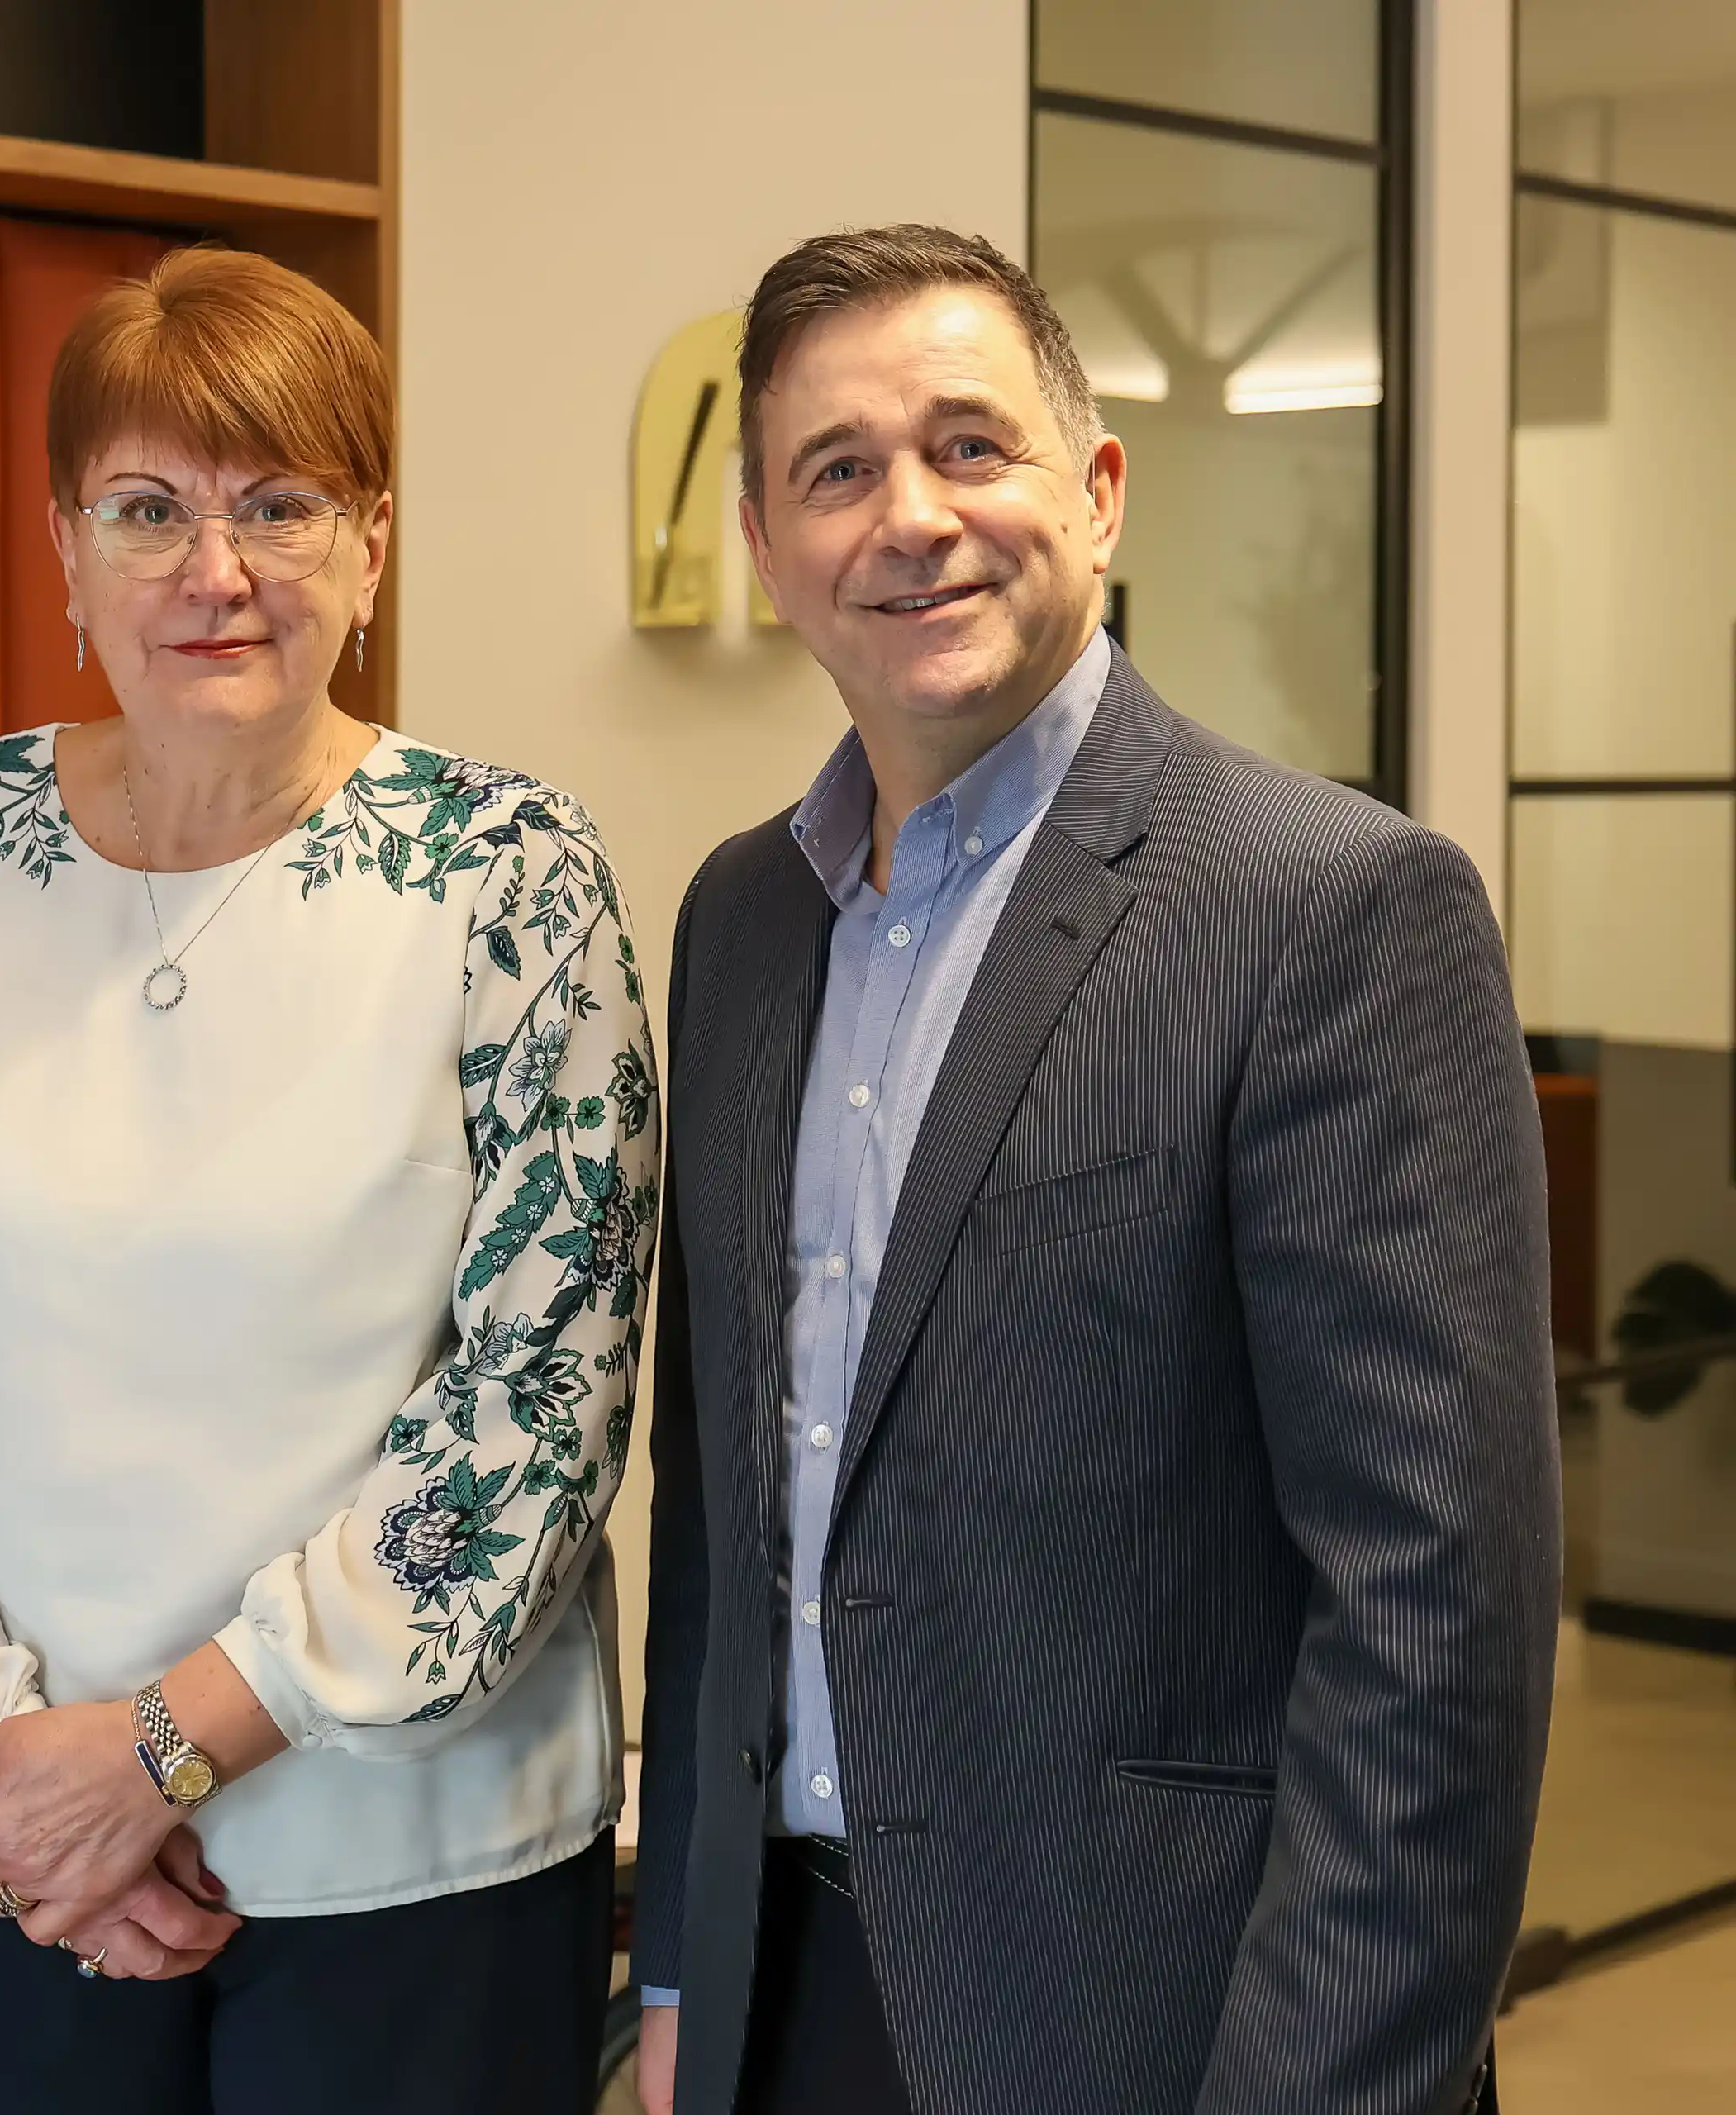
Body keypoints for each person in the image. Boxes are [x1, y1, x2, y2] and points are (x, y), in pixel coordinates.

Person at [630, 223, 1558, 2115]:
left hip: (1164, 2019)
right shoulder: (740, 915)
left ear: (1100, 492)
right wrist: (677, 1971)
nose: (913, 516)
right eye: (838, 469)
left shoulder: (1330, 907)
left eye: (972, 446)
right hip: (783, 1994)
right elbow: (722, 1500)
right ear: (768, 551)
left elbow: (1432, 1618)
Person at [0, 245, 660, 2113]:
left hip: (403, 1855)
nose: (217, 568)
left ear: (373, 541)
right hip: (1, 1838)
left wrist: (160, 1751)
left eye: (282, 505)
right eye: (150, 508)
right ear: (66, 546)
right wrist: (14, 1765)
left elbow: (536, 1405)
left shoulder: (511, 872)